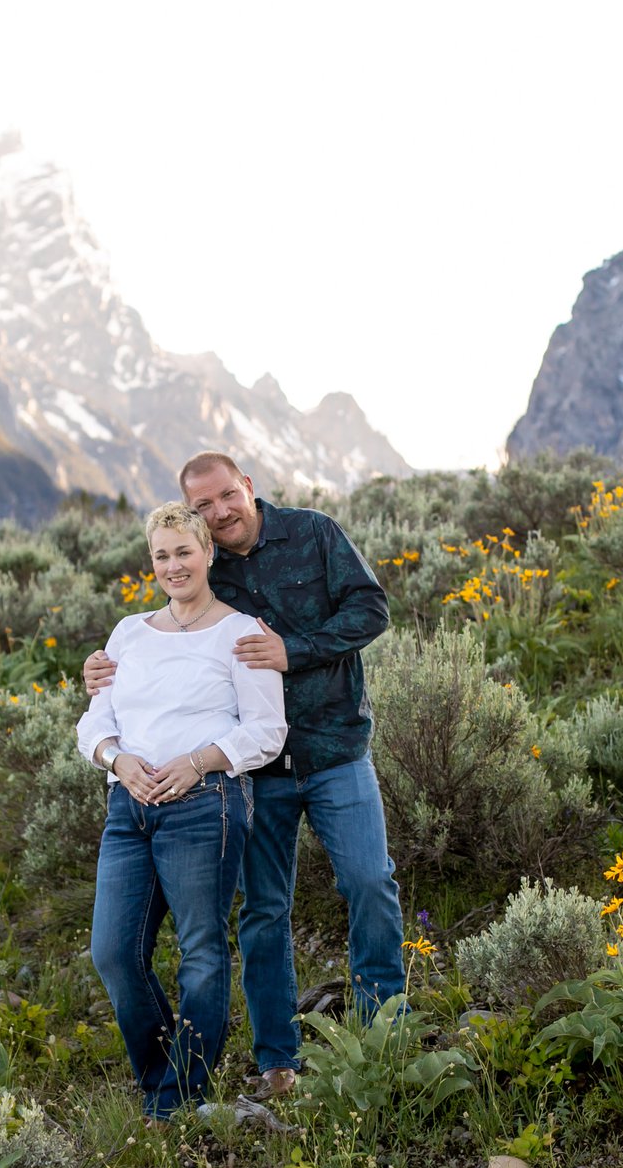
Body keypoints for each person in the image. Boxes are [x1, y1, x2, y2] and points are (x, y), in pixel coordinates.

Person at [85, 453, 402, 1100]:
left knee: (369, 880)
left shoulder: (313, 534)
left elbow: (371, 608)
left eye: (227, 496)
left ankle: (383, 1033)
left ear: (249, 488)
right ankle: (277, 1061)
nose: (220, 511)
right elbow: (170, 638)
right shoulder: (206, 567)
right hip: (262, 772)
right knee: (264, 912)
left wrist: (296, 649)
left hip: (335, 749)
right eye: (205, 506)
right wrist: (102, 667)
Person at [75, 501, 286, 1123]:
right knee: (113, 952)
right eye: (162, 555)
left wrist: (198, 761)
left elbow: (267, 731)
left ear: (208, 554)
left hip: (206, 804)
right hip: (130, 805)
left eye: (184, 552)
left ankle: (177, 1099)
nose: (173, 566)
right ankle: (164, 1080)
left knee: (200, 949)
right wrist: (117, 760)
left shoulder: (243, 632)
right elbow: (96, 722)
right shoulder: (128, 634)